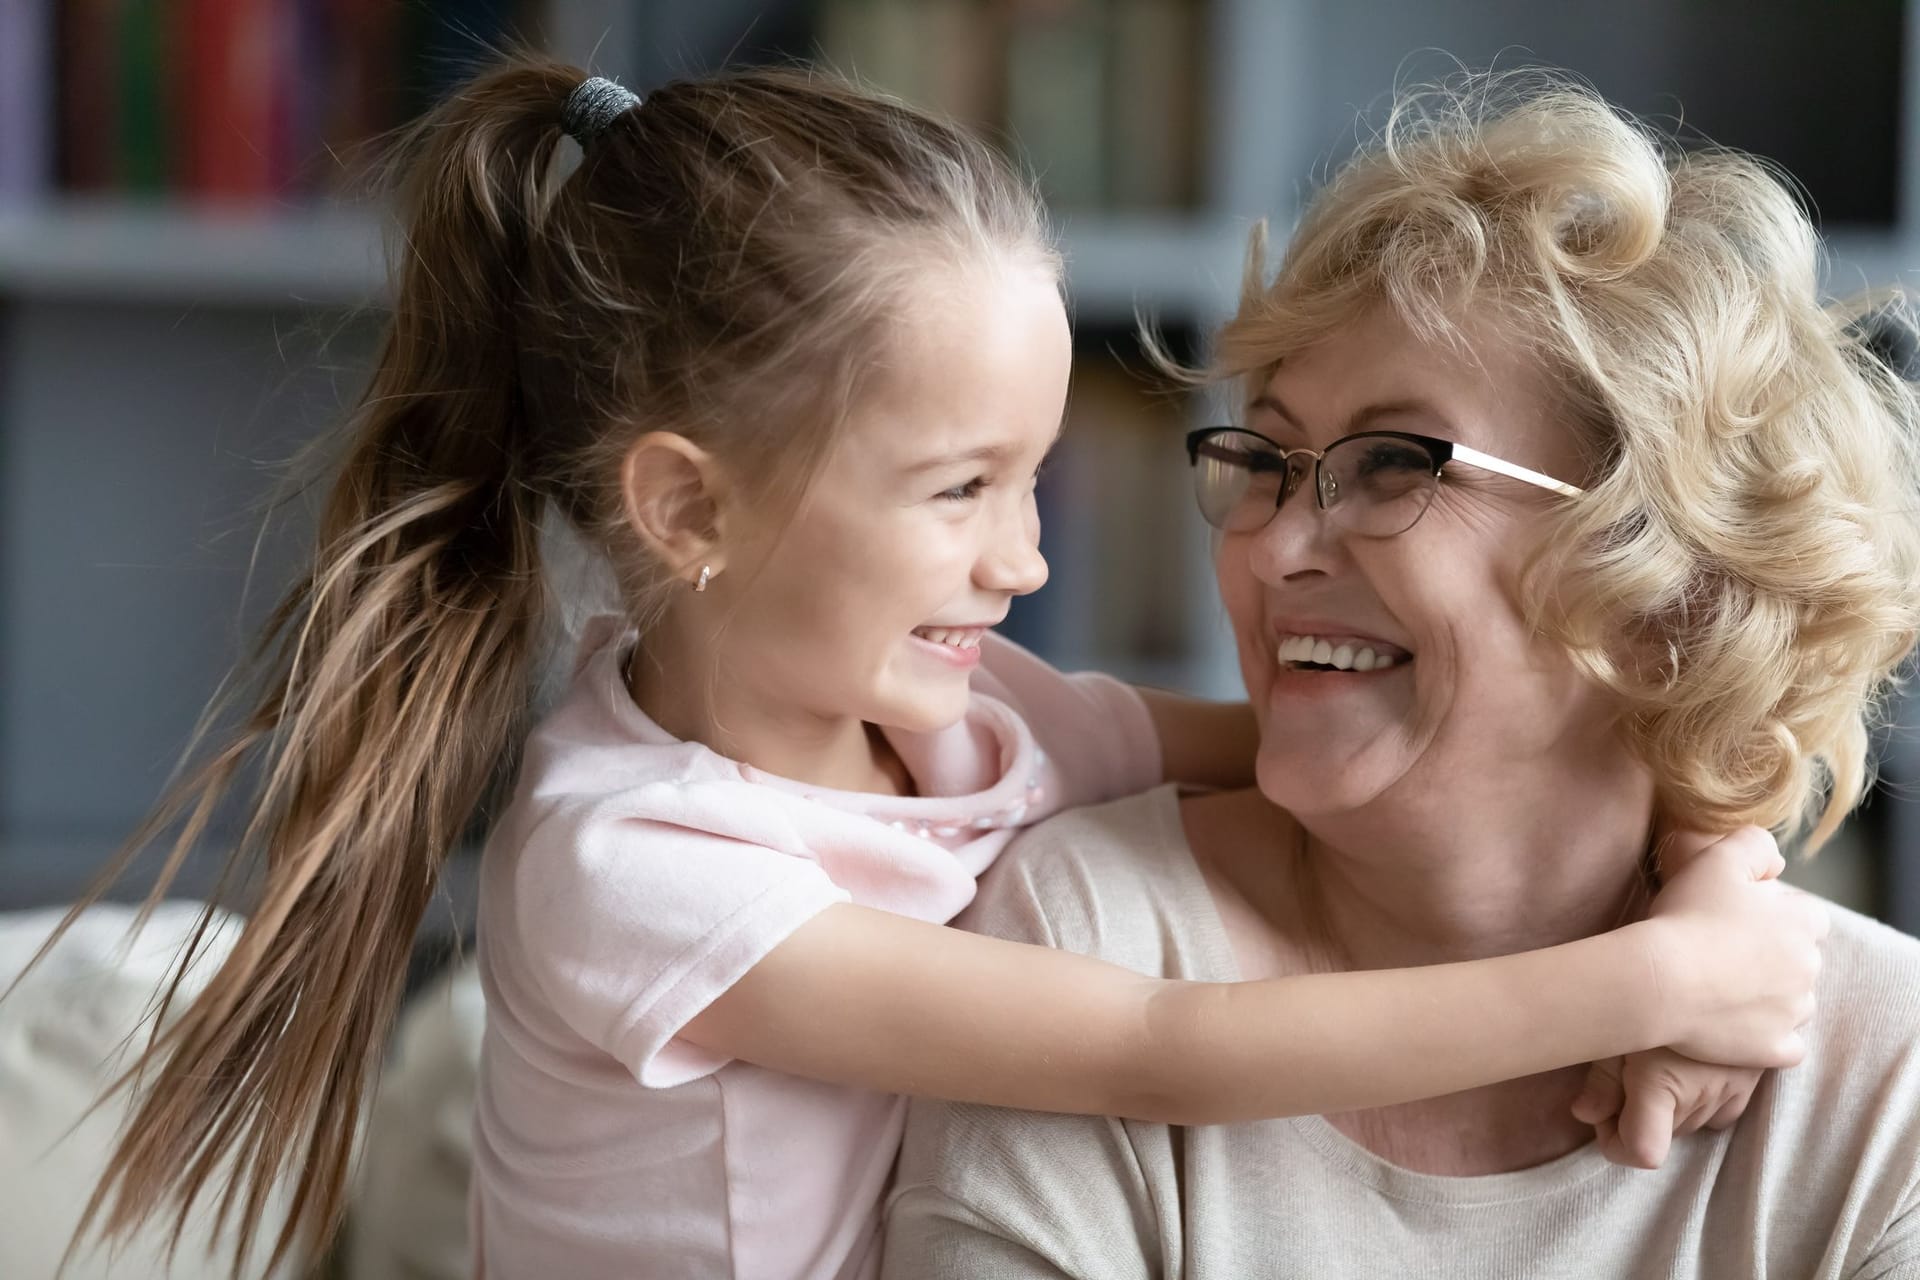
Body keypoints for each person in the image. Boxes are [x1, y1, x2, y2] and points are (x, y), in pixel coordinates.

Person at [34, 60, 1822, 1280]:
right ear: (688, 510)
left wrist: (1721, 868)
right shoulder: (631, 871)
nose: (1027, 559)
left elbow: (1419, 748)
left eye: (1032, 479)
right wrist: (1644, 983)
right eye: (958, 489)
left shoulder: (971, 728)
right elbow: (1157, 1050)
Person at [883, 73, 1920, 1280]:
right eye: (1265, 458)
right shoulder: (1089, 932)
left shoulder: (1880, 1072)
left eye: (1389, 464)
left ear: (1667, 585)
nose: (1271, 545)